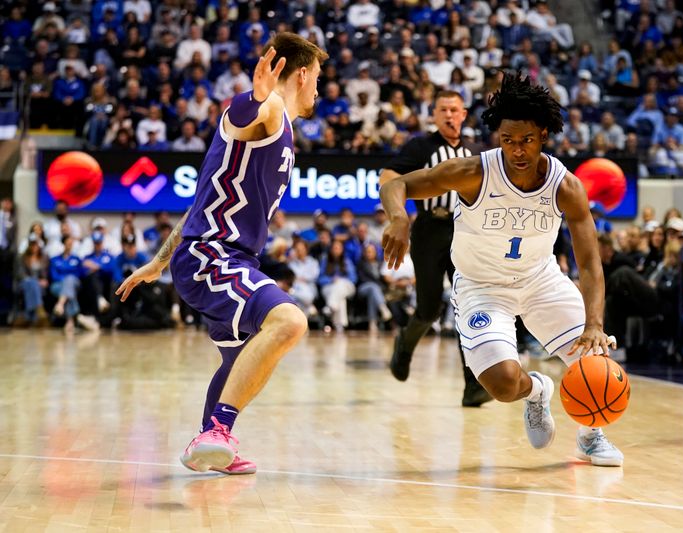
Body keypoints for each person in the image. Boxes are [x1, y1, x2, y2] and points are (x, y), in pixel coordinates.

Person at [380, 72, 624, 466]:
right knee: (502, 383)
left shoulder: (566, 187)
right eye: (508, 140)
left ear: (544, 135)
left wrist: (594, 323)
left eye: (526, 140)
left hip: (540, 280)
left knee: (595, 363)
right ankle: (537, 392)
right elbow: (397, 186)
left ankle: (591, 434)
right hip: (481, 286)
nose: (517, 150)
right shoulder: (474, 171)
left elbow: (591, 264)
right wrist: (398, 218)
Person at [116, 35, 327, 475]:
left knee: (239, 358)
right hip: (212, 257)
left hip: (216, 256)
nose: (319, 91)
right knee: (289, 321)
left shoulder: (281, 129)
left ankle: (208, 446)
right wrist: (255, 97)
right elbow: (240, 117)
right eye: (318, 79)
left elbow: (199, 205)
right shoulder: (268, 113)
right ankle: (217, 432)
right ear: (302, 73)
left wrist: (158, 262)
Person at [379, 90, 491, 408]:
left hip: (467, 233)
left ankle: (473, 385)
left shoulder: (478, 152)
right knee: (429, 310)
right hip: (430, 229)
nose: (449, 115)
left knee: (465, 307)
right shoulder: (420, 146)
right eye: (443, 110)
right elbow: (388, 177)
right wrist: (397, 215)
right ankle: (405, 344)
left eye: (455, 109)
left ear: (464, 114)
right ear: (434, 114)